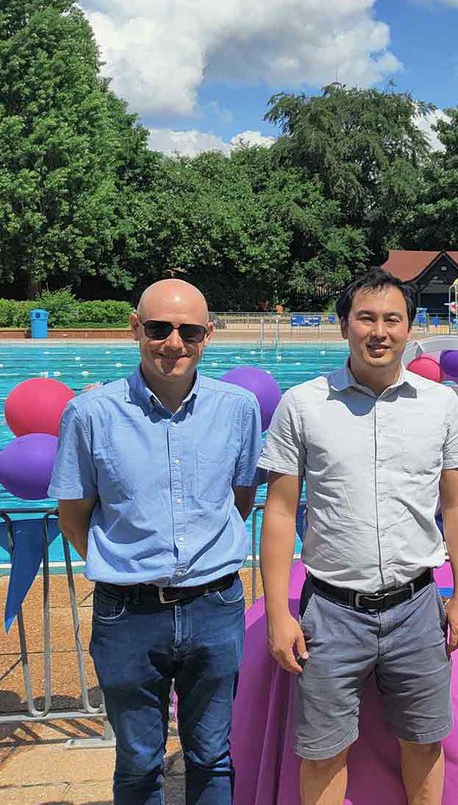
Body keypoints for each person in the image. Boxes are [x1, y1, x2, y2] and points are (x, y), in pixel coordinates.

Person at [258, 267, 458, 805]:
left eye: (392, 319)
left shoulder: (440, 405)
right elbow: (280, 512)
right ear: (343, 326)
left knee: (424, 743)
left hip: (417, 606)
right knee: (322, 752)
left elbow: (456, 505)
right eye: (366, 318)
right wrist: (278, 613)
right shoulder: (303, 405)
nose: (379, 332)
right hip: (331, 611)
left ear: (409, 328)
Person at [50, 279, 263, 805]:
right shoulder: (90, 414)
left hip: (215, 606)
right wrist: (128, 566)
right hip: (128, 613)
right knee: (139, 760)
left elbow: (239, 500)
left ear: (208, 335)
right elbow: (73, 516)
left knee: (212, 755)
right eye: (159, 328)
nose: (174, 343)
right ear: (135, 328)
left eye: (189, 331)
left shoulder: (238, 409)